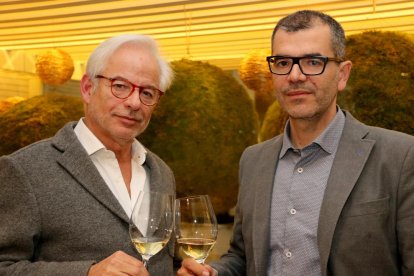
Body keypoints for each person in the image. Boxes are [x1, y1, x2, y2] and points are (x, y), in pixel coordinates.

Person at [178, 10, 414, 276]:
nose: (295, 76)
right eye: (282, 63)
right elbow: (243, 257)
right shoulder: (254, 160)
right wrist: (213, 273)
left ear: (343, 74)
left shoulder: (400, 157)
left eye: (313, 62)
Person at [0, 34, 176, 275]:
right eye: (120, 86)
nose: (135, 102)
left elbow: (162, 258)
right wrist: (86, 272)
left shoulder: (161, 172)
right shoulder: (24, 170)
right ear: (87, 88)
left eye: (147, 93)